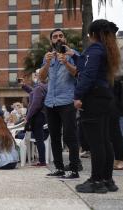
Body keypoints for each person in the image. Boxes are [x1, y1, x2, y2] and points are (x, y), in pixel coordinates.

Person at [69, 19, 121, 193]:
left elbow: (88, 74)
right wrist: (76, 56)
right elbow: (89, 67)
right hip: (105, 97)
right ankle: (107, 180)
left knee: (96, 142)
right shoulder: (106, 49)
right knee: (105, 140)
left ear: (93, 34)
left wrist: (77, 95)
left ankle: (96, 181)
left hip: (93, 99)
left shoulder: (95, 49)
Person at [39, 28, 81, 179]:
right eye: (55, 37)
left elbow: (78, 73)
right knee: (55, 137)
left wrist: (66, 62)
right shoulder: (48, 57)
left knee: (70, 136)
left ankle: (74, 169)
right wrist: (47, 63)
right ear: (51, 40)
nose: (58, 38)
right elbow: (42, 78)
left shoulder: (73, 54)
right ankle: (59, 168)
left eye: (61, 36)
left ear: (64, 39)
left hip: (67, 101)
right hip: (50, 102)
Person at [20, 69, 47, 166]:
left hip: (37, 115)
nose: (34, 76)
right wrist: (24, 85)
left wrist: (28, 117)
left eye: (36, 74)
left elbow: (35, 104)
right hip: (41, 115)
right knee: (39, 138)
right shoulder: (41, 87)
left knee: (39, 138)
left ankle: (42, 161)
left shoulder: (39, 87)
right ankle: (42, 160)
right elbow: (32, 92)